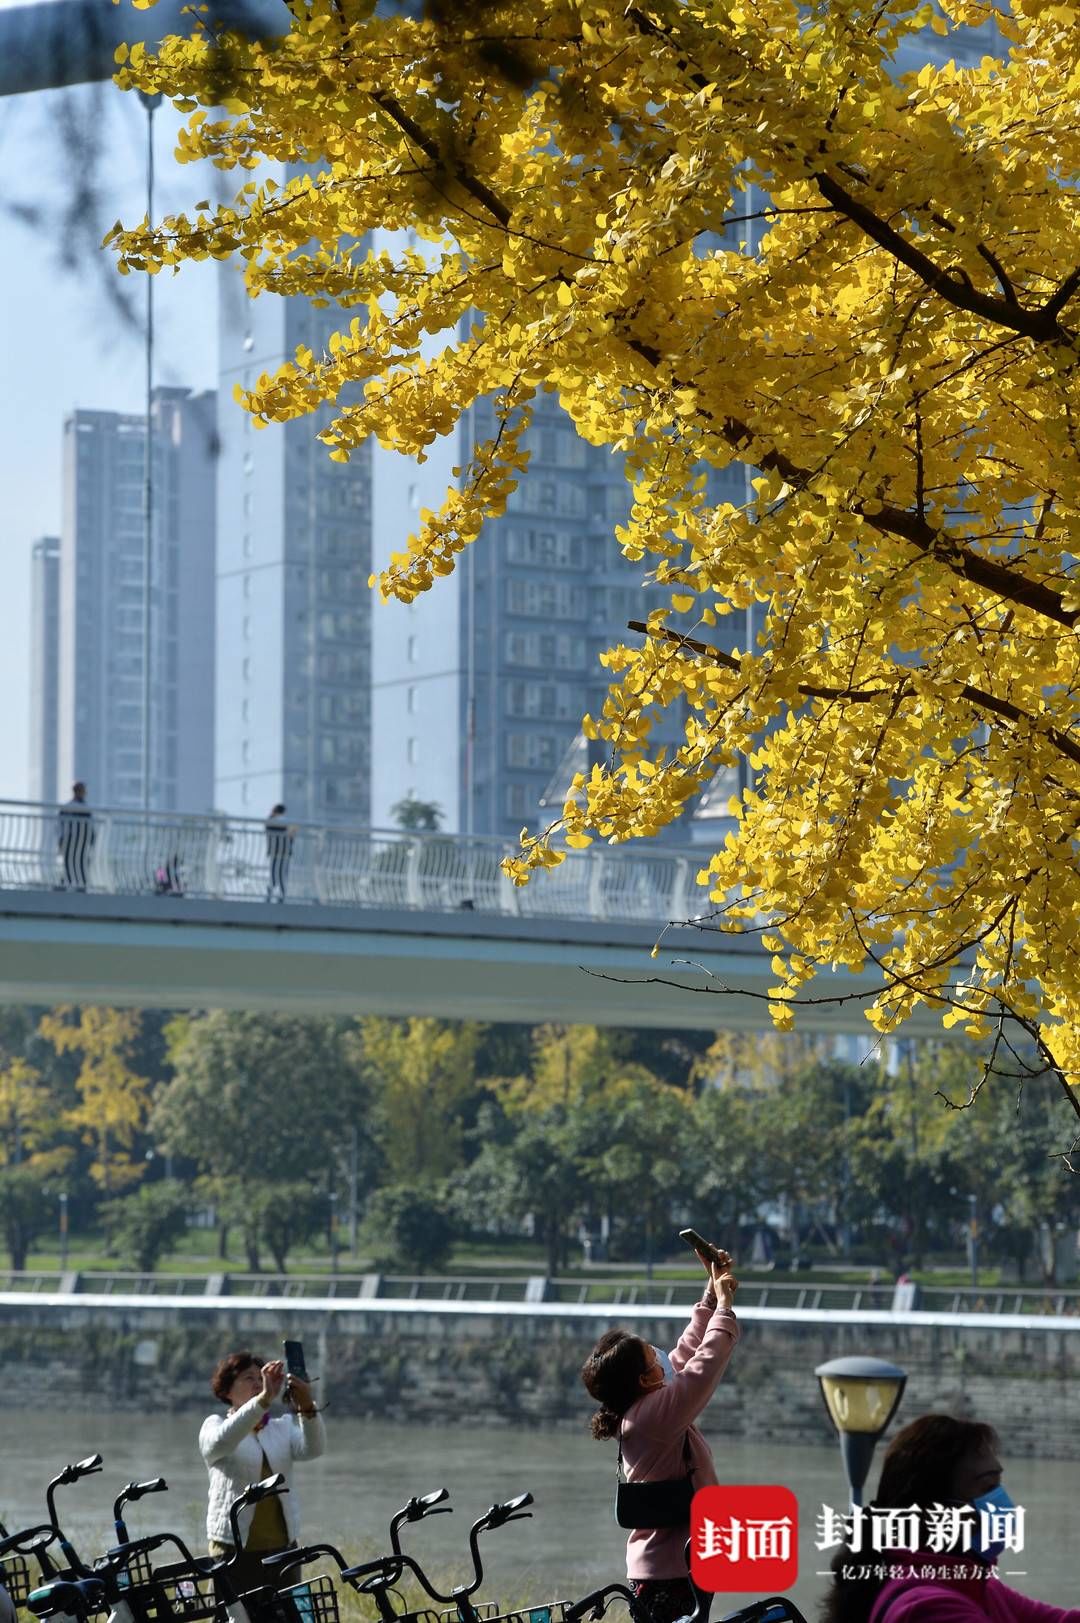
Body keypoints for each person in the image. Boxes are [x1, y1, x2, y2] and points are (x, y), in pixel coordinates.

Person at [581, 1243, 739, 1623]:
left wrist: (709, 1290)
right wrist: (725, 1307)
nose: (660, 1357)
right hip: (673, 1571)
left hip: (670, 1567)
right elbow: (701, 1369)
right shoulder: (653, 1418)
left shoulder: (643, 1407)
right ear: (643, 1379)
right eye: (652, 1357)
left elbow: (684, 1356)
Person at [820, 1412, 1080, 1623]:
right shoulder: (929, 1608)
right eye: (988, 1488)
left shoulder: (976, 1586)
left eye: (999, 1486)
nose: (1003, 1502)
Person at [200, 1351, 326, 1595]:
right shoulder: (213, 1426)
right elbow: (223, 1441)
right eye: (248, 1378)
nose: (258, 1384)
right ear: (226, 1391)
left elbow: (314, 1449)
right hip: (233, 1551)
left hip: (283, 1550)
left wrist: (307, 1405)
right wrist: (264, 1400)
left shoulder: (281, 1428)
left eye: (261, 1378)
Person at [57, 781, 93, 890]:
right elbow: (88, 826)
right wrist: (91, 839)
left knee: (70, 864)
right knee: (79, 863)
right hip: (78, 840)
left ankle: (65, 886)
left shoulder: (66, 807)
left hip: (69, 840)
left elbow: (60, 826)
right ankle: (80, 887)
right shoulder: (83, 808)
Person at [265, 804, 294, 902]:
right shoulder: (287, 822)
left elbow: (268, 829)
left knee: (274, 873)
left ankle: (270, 892)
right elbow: (292, 834)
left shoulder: (271, 820)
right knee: (282, 874)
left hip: (275, 851)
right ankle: (282, 896)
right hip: (285, 851)